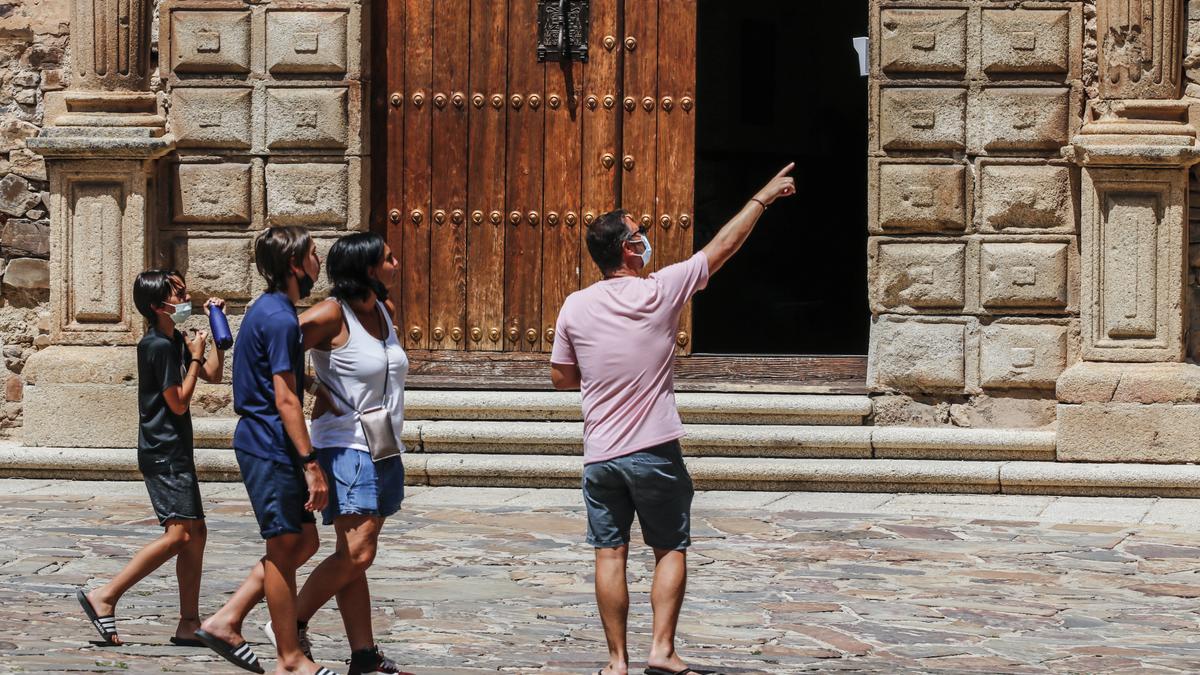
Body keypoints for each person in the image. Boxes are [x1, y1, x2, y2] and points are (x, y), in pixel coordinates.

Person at [550, 164, 796, 675]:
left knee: (609, 554)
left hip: (600, 455)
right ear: (626, 250)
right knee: (669, 548)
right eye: (639, 234)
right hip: (655, 450)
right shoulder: (660, 290)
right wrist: (762, 198)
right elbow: (722, 247)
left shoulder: (574, 306)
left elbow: (561, 376)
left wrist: (603, 379)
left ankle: (616, 661)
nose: (646, 240)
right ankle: (660, 650)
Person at [260, 232, 410, 675]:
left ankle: (363, 655)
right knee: (358, 553)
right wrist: (311, 386)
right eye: (388, 258)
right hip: (344, 445)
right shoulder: (329, 314)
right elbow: (277, 350)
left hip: (383, 444)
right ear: (366, 268)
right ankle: (288, 621)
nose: (396, 264)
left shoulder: (385, 310)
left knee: (355, 556)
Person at [194, 226, 335, 675]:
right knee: (283, 546)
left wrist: (314, 381)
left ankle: (227, 619)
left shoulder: (272, 310)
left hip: (271, 441)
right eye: (313, 254)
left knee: (304, 540)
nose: (319, 261)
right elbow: (284, 398)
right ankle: (289, 658)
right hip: (268, 443)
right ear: (295, 265)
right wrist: (311, 463)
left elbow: (280, 378)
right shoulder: (278, 318)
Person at [76, 271, 226, 647]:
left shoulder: (173, 337)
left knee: (196, 535)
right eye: (178, 292)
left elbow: (213, 374)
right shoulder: (156, 344)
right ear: (159, 306)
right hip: (163, 450)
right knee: (179, 535)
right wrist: (193, 358)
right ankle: (105, 596)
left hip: (175, 448)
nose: (186, 296)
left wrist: (215, 337)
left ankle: (188, 623)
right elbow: (178, 401)